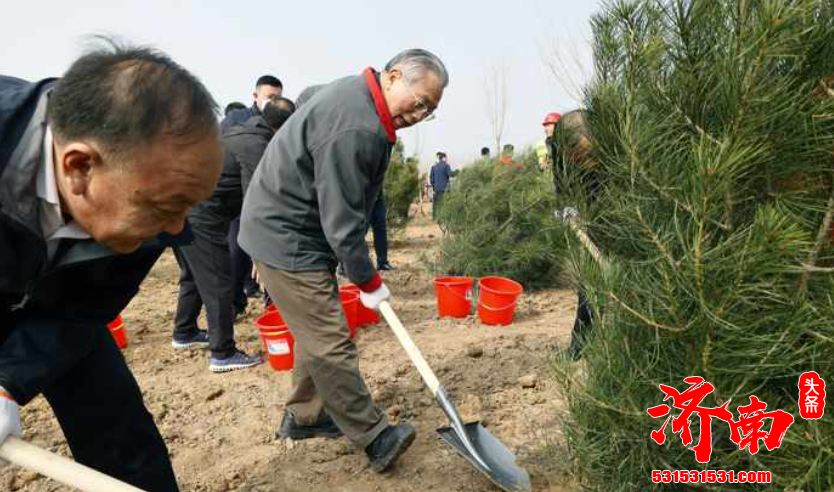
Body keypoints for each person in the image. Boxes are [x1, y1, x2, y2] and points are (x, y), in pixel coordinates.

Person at [0, 40, 222, 491]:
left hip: (60, 299)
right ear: (79, 167)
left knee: (117, 429)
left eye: (189, 207)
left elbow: (82, 311)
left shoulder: (148, 202)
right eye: (168, 207)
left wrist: (6, 382)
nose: (178, 230)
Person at [240, 48, 448, 473]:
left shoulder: (355, 93)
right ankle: (373, 435)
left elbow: (311, 96)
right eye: (421, 100)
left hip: (287, 226)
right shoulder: (358, 127)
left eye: (431, 109)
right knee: (332, 340)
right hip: (289, 234)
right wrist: (369, 282)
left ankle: (306, 416)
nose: (422, 113)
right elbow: (343, 225)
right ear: (392, 77)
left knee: (316, 328)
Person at [172, 98, 296, 372]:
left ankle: (184, 332)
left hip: (182, 208)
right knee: (219, 281)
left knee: (195, 274)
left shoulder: (240, 131)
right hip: (201, 216)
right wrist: (261, 254)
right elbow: (256, 203)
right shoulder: (257, 146)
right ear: (284, 127)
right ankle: (223, 353)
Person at [222, 76, 284, 314]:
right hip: (238, 199)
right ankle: (236, 301)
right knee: (238, 251)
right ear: (255, 96)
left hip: (266, 195)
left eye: (277, 97)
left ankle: (272, 301)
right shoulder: (237, 120)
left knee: (270, 246)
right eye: (269, 97)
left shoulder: (282, 120)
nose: (273, 102)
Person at [549, 110, 600, 360]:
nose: (587, 160)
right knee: (588, 283)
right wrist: (565, 206)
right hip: (590, 211)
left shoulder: (611, 138)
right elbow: (560, 182)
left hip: (619, 207)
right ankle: (579, 346)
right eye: (580, 156)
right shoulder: (560, 148)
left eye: (590, 154)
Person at [369, 193, 394, 270]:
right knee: (357, 229)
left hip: (377, 196)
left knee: (380, 228)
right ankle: (345, 265)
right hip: (359, 195)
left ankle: (382, 262)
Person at [429, 152, 452, 220]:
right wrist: (458, 171)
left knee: (436, 204)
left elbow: (431, 178)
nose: (447, 159)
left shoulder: (434, 167)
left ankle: (435, 217)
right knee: (444, 204)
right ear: (443, 158)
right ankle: (444, 218)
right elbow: (450, 174)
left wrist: (433, 186)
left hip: (436, 189)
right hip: (444, 189)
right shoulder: (446, 166)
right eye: (446, 158)